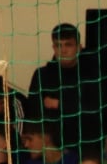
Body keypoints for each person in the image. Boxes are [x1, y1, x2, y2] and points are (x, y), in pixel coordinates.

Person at [29, 22, 102, 154]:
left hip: (86, 148)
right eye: (58, 45)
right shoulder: (42, 75)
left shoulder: (93, 74)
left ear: (79, 47)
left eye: (68, 44)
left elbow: (95, 111)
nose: (63, 50)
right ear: (53, 47)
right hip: (51, 149)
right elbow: (34, 113)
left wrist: (59, 104)